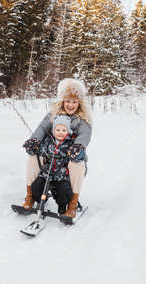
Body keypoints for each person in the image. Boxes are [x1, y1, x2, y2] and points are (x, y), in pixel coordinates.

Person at [22, 78, 92, 218]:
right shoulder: (54, 114)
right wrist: (34, 141)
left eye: (74, 101)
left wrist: (78, 146)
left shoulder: (82, 120)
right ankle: (30, 196)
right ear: (62, 101)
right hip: (51, 157)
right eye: (67, 101)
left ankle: (72, 203)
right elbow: (42, 128)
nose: (70, 105)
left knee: (76, 164)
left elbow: (85, 135)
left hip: (70, 159)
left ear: (79, 103)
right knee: (33, 157)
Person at [30, 115, 75, 215]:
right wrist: (34, 149)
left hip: (61, 175)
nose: (60, 132)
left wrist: (71, 154)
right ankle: (40, 201)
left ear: (68, 131)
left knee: (63, 191)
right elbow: (41, 150)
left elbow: (75, 155)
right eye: (57, 129)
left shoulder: (70, 143)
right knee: (36, 187)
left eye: (64, 130)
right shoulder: (48, 140)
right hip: (46, 172)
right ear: (53, 130)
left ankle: (62, 207)